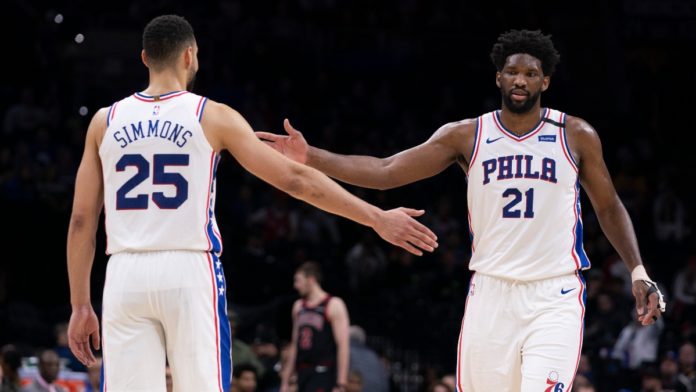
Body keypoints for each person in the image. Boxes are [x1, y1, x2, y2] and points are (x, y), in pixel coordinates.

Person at [257, 29, 667, 391]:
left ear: (546, 80)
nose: (520, 80)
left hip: (553, 294)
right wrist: (311, 156)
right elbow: (386, 170)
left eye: (530, 73)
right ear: (498, 77)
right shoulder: (467, 135)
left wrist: (638, 271)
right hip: (489, 291)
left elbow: (609, 205)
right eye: (512, 71)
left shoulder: (574, 134)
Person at [66, 14, 438, 392]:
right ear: (190, 56)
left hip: (124, 273)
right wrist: (376, 217)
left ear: (144, 58)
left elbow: (82, 221)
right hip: (188, 269)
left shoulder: (104, 121)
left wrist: (80, 305)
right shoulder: (212, 115)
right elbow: (294, 180)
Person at [281, 262, 349, 392]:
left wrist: (341, 383)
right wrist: (285, 380)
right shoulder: (298, 306)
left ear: (311, 280)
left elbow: (343, 346)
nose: (296, 286)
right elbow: (295, 344)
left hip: (323, 370)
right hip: (302, 371)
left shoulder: (334, 304)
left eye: (298, 281)